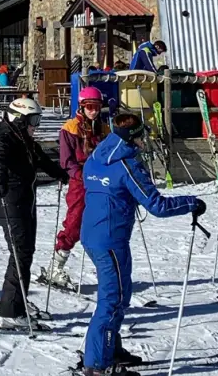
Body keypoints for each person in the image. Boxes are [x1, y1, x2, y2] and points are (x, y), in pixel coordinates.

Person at [80, 113, 202, 374]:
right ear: (130, 138)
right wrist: (192, 203)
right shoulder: (127, 166)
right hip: (110, 240)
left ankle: (110, 350)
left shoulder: (95, 157)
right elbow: (157, 205)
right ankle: (97, 365)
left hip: (93, 235)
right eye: (141, 137)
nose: (144, 142)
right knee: (111, 301)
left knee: (120, 295)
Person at [0, 97, 69, 329]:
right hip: (10, 203)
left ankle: (16, 302)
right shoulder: (6, 137)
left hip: (24, 203)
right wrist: (0, 180)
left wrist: (60, 174)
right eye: (33, 121)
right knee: (20, 255)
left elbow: (41, 159)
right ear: (19, 119)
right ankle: (10, 311)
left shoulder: (23, 138)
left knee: (25, 254)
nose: (36, 126)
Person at [42, 87, 108, 288]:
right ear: (81, 107)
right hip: (80, 181)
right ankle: (56, 266)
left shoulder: (104, 129)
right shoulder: (70, 128)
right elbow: (66, 161)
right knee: (74, 222)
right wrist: (81, 175)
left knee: (102, 223)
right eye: (89, 107)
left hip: (101, 181)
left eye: (97, 107)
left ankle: (106, 268)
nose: (93, 111)